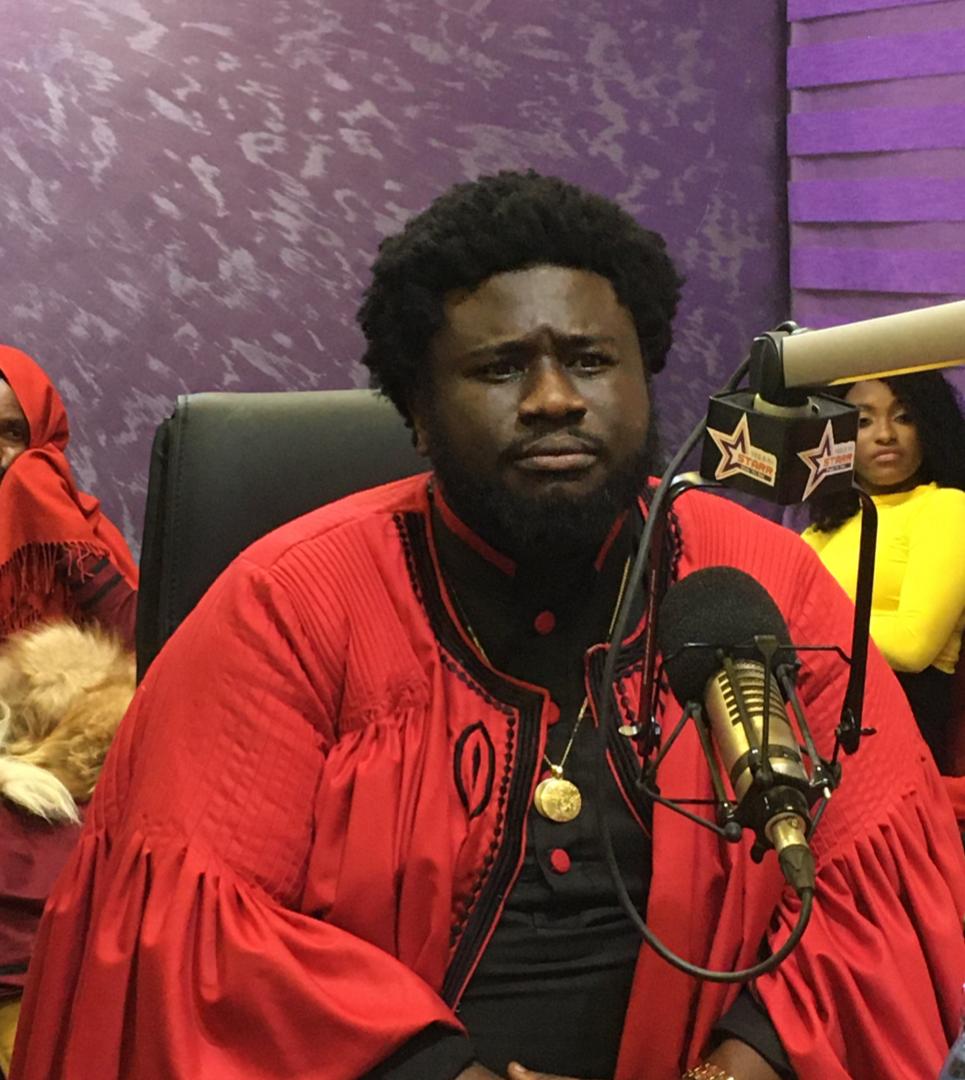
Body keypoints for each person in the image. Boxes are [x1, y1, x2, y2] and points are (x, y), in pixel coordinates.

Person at [10, 173, 965, 1080]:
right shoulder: (289, 605)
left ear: (645, 380)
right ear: (418, 414)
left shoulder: (761, 578)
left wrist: (723, 1073)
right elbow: (198, 937)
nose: (554, 397)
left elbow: (873, 887)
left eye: (590, 360)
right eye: (501, 367)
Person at [802, 372, 965, 773]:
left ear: (930, 427)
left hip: (900, 731)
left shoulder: (945, 507)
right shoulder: (821, 532)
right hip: (816, 730)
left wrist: (808, 628)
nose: (886, 435)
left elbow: (912, 646)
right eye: (863, 421)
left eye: (904, 417)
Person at [0, 346, 138, 649]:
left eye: (12, 433)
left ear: (42, 436)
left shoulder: (79, 526)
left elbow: (137, 639)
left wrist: (45, 505)